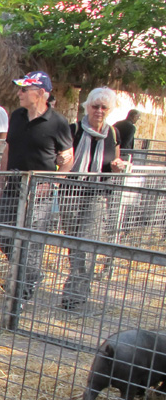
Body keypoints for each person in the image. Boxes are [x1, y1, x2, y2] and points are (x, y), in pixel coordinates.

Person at [0, 70, 73, 301]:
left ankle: (21, 294)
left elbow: (68, 159)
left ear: (40, 94)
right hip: (14, 184)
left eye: (23, 90)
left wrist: (52, 184)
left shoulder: (58, 123)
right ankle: (27, 274)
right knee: (3, 233)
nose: (19, 93)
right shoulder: (17, 116)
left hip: (40, 191)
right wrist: (1, 180)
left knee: (32, 243)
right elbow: (8, 149)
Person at [60, 87, 128, 310]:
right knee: (74, 243)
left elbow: (114, 162)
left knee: (87, 244)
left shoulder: (113, 134)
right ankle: (78, 286)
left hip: (97, 195)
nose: (99, 111)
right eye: (95, 106)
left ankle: (75, 294)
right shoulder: (74, 129)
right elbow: (62, 159)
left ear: (109, 110)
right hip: (70, 192)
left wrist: (118, 167)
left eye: (103, 107)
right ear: (87, 107)